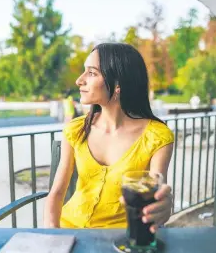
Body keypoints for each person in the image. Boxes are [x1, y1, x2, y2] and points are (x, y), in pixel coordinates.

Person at [44, 43, 174, 233]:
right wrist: (52, 234)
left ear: (118, 83)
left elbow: (156, 192)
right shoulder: (76, 129)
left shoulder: (157, 137)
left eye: (92, 73)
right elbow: (56, 193)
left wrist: (164, 205)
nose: (79, 80)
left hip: (122, 239)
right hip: (69, 231)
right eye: (84, 71)